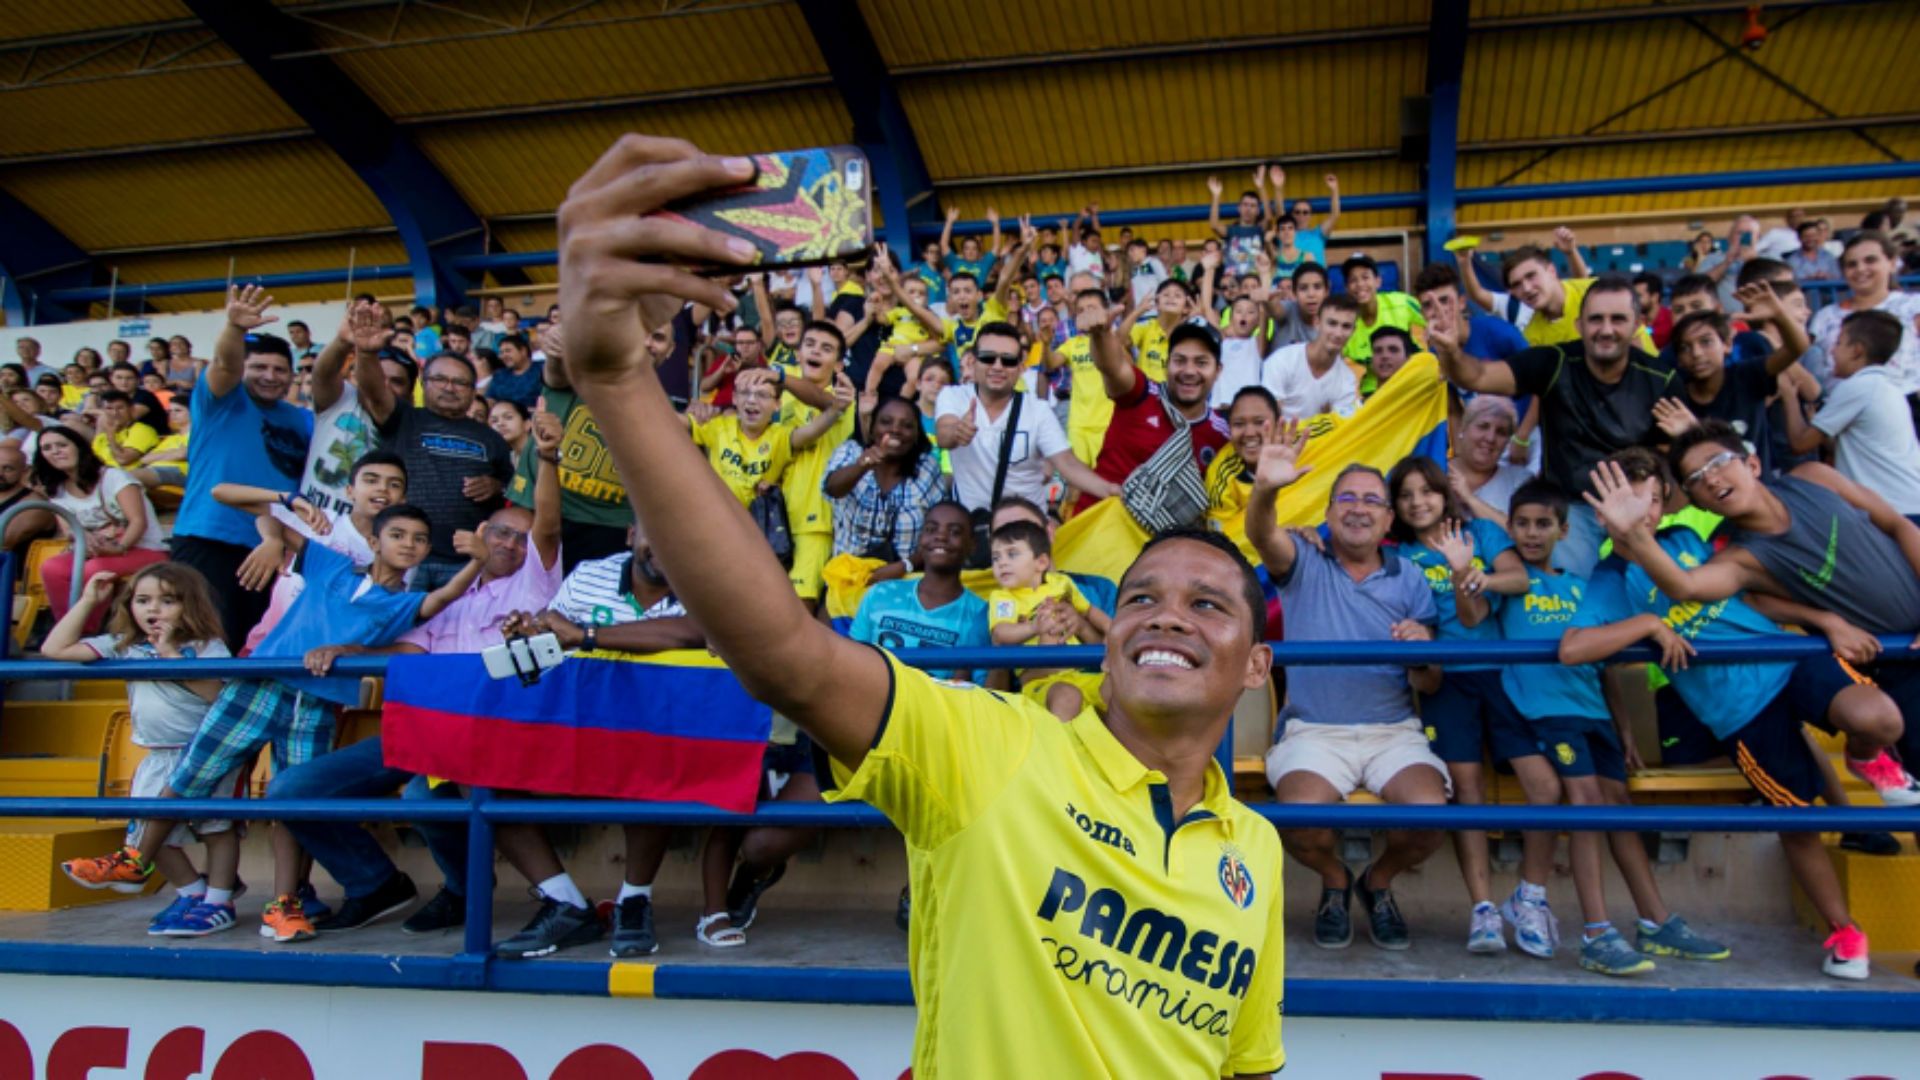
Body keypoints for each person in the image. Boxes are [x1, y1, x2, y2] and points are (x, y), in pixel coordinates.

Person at [553, 138, 1286, 1078]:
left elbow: (1246, 1065)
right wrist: (617, 381)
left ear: (1259, 663)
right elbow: (784, 651)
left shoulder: (1255, 853)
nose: (1164, 615)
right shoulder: (992, 751)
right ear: (1108, 639)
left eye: (1208, 604)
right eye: (1139, 594)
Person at [1573, 450, 1915, 980]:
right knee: (1795, 820)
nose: (1641, 509)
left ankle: (1866, 756)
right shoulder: (1611, 579)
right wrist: (1643, 624)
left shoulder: (1687, 542)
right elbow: (1574, 648)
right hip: (1740, 714)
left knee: (1880, 719)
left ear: (1664, 507)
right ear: (1603, 513)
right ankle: (1844, 932)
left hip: (1790, 662)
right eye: (1628, 498)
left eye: (1652, 498)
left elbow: (1753, 598)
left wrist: (1822, 618)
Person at [66, 505, 482, 941]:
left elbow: (445, 596)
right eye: (398, 534)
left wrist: (477, 561)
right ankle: (136, 859)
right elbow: (265, 517)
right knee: (194, 768)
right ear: (373, 542)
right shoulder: (334, 567)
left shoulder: (403, 604)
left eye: (419, 539)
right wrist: (272, 533)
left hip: (316, 703)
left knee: (290, 798)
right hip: (259, 686)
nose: (409, 545)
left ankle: (285, 903)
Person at [268, 416, 568, 935]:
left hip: (485, 731)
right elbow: (402, 652)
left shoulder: (534, 589)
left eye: (521, 540)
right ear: (480, 533)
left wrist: (545, 458)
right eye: (501, 532)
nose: (511, 545)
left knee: (423, 798)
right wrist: (347, 648)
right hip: (421, 730)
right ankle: (373, 883)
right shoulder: (441, 602)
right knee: (292, 788)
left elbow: (548, 525)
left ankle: (463, 892)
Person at [1491, 478, 1731, 976]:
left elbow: (1602, 664)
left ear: (1564, 530)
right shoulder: (1512, 578)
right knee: (1584, 806)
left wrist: (1623, 727)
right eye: (1523, 524)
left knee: (1617, 807)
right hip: (1547, 713)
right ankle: (1597, 933)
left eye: (1543, 525)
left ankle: (1655, 921)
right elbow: (1482, 604)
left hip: (1593, 710)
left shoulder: (1584, 585)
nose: (1532, 534)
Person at [1606, 423, 1920, 777]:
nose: (1710, 479)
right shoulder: (1740, 559)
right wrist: (1636, 534)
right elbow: (1684, 587)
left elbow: (1899, 524)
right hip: (1894, 656)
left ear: (1752, 464)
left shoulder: (1815, 476)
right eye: (1695, 477)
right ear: (1698, 504)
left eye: (1718, 462)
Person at [1245, 437, 1447, 953]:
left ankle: (1376, 883)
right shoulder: (1304, 560)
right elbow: (1261, 532)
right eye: (1347, 498)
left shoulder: (1411, 577)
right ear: (1329, 512)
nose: (1359, 508)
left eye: (1372, 500)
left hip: (1392, 732)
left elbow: (1430, 682)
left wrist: (1424, 649)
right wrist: (1265, 489)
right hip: (1315, 729)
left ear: (1387, 522)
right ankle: (1335, 880)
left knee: (1430, 819)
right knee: (1301, 821)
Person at [492, 526, 707, 960]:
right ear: (631, 535)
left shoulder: (707, 578)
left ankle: (633, 900)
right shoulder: (591, 574)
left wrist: (586, 635)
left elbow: (692, 632)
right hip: (578, 723)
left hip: (659, 728)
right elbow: (555, 637)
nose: (665, 542)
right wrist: (528, 634)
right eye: (653, 531)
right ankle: (564, 902)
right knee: (472, 764)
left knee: (656, 754)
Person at [1384, 457, 1552, 957]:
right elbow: (1464, 616)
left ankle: (1531, 896)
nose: (1418, 502)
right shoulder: (1401, 557)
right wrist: (1461, 583)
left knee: (1544, 785)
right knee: (1469, 792)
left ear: (1443, 493)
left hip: (1504, 674)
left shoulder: (1479, 530)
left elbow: (1517, 579)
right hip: (1446, 682)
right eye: (1406, 495)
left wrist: (1470, 573)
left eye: (1427, 491)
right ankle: (1482, 909)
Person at [1430, 275, 1676, 575]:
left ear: (1637, 323)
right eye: (1596, 319)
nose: (1606, 329)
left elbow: (1668, 456)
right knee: (1566, 591)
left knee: (1645, 587)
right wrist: (1453, 353)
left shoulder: (1661, 378)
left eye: (1618, 319)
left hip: (1635, 508)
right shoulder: (1554, 362)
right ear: (1579, 325)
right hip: (1570, 509)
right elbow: (1479, 376)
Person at [49, 565, 239, 936]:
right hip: (157, 756)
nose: (154, 609)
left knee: (217, 828)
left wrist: (169, 653)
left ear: (191, 605)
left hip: (207, 755)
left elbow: (217, 694)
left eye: (168, 601)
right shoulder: (125, 645)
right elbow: (54, 648)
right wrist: (89, 601)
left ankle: (220, 901)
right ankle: (192, 893)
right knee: (146, 834)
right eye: (143, 600)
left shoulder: (207, 647)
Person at [169, 287, 314, 647]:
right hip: (209, 539)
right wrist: (234, 329)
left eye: (280, 369)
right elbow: (224, 365)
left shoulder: (302, 420)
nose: (270, 375)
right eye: (259, 367)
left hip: (274, 547)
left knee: (255, 648)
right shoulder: (220, 401)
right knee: (204, 645)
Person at [352, 306, 516, 590]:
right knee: (398, 630)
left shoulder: (491, 438)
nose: (450, 388)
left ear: (473, 389)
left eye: (461, 382)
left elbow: (510, 486)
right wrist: (366, 353)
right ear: (424, 384)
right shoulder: (403, 417)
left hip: (463, 561)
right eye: (440, 379)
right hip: (405, 556)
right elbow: (374, 391)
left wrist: (496, 486)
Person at [216, 450, 410, 654]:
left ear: (403, 499)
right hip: (268, 644)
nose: (382, 489)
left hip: (326, 660)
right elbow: (221, 492)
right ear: (349, 491)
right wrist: (286, 504)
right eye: (371, 480)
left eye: (394, 485)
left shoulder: (398, 553)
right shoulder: (317, 519)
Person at [936, 322, 1115, 511]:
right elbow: (943, 434)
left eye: (1008, 361)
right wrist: (958, 432)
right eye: (988, 358)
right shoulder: (953, 396)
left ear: (1021, 367)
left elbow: (1067, 463)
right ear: (974, 362)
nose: (997, 366)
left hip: (1024, 527)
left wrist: (1109, 489)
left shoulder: (1038, 410)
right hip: (971, 525)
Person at [503, 324, 636, 573]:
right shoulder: (578, 377)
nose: (647, 343)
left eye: (658, 339)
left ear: (670, 351)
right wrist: (555, 352)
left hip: (609, 529)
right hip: (539, 512)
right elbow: (556, 373)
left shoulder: (667, 407)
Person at [1652, 282, 1810, 475]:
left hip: (1760, 491)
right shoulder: (1675, 398)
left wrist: (1778, 316)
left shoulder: (1747, 376)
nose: (1697, 353)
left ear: (1727, 344)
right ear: (1678, 359)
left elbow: (1797, 348)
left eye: (1706, 342)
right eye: (1685, 348)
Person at [1079, 314, 1230, 515]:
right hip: (1096, 530)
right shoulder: (1141, 393)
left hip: (1162, 544)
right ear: (1167, 364)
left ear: (1218, 371)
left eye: (1201, 363)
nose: (1189, 371)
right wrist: (1099, 335)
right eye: (1180, 360)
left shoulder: (1222, 436)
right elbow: (1112, 367)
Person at [1783, 311, 1920, 517]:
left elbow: (1800, 444)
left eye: (1838, 343)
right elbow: (1851, 446)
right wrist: (1818, 425)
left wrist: (1789, 396)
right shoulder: (1885, 386)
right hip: (1907, 504)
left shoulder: (1858, 387)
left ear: (1856, 351)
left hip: (1894, 509)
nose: (1832, 351)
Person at [34, 426, 169, 631]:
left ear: (79, 447)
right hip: (96, 552)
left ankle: (88, 630)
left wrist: (119, 547)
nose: (55, 451)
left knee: (94, 569)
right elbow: (70, 530)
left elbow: (138, 521)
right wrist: (86, 541)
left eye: (62, 445)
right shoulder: (57, 489)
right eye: (47, 448)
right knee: (51, 567)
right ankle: (66, 628)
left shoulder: (114, 477)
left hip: (145, 548)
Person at [988, 520, 1110, 721]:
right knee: (1067, 696)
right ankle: (1058, 752)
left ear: (1041, 562)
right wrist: (1034, 627)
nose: (1001, 563)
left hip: (1077, 674)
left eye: (1012, 554)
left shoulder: (1062, 583)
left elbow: (1089, 611)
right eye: (995, 557)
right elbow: (1000, 633)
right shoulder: (1004, 598)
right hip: (1039, 682)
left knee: (1116, 689)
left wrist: (1112, 631)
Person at [687, 368, 849, 507]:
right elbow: (675, 422)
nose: (752, 400)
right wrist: (693, 409)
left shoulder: (779, 436)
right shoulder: (719, 426)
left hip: (758, 529)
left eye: (762, 395)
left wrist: (838, 407)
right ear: (734, 398)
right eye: (745, 393)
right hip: (717, 519)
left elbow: (811, 431)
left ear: (777, 404)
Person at [824, 395, 946, 574]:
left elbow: (938, 533)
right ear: (872, 428)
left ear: (916, 435)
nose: (895, 430)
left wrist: (905, 566)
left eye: (907, 426)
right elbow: (832, 488)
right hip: (847, 579)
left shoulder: (927, 468)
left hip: (903, 580)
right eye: (886, 422)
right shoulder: (851, 451)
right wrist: (861, 466)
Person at [1808, 231, 1920, 399]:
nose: (1860, 269)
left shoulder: (1912, 305)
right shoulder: (1825, 316)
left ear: (1892, 263)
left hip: (1903, 403)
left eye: (1870, 260)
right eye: (1851, 264)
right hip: (1840, 409)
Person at [1261, 295, 1361, 422]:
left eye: (1346, 326)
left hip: (1321, 441)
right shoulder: (1282, 360)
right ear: (1317, 323)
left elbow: (1337, 427)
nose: (1338, 333)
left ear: (1353, 331)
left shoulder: (1347, 380)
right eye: (1332, 323)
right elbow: (1268, 418)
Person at [1206, 387, 1278, 544]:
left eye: (1259, 422)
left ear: (1278, 424)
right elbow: (1223, 542)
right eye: (1239, 424)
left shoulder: (1306, 437)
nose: (1250, 433)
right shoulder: (1220, 476)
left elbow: (1343, 425)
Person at [1339, 254, 1424, 385]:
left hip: (1410, 382)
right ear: (1347, 288)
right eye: (1353, 280)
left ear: (1378, 281)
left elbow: (1435, 322)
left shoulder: (1403, 303)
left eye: (1365, 277)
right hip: (1372, 393)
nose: (1360, 284)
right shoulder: (1345, 325)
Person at [1208, 171, 1271, 278]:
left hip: (1254, 283)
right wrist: (1216, 196)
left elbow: (1269, 218)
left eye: (1253, 206)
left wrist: (1261, 188)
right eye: (1245, 204)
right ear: (1239, 208)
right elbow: (1214, 225)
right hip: (1232, 285)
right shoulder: (1231, 230)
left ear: (1258, 211)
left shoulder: (1260, 230)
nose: (1248, 208)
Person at [1277, 167, 1340, 267]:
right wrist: (1278, 188)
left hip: (1317, 279)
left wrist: (1334, 189)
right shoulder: (1285, 233)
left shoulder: (1318, 233)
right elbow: (1280, 211)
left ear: (1311, 215)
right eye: (1297, 212)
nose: (1301, 215)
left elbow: (1334, 215)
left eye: (1305, 212)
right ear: (1292, 214)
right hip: (1292, 280)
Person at [0, 443, 53, 554]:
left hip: (13, 569)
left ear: (25, 471)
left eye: (8, 468)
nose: (0, 473)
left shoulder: (34, 505)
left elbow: (3, 541)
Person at [484, 333, 544, 409]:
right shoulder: (500, 375)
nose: (503, 356)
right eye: (501, 352)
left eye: (508, 351)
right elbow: (490, 399)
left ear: (523, 351)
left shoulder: (542, 368)